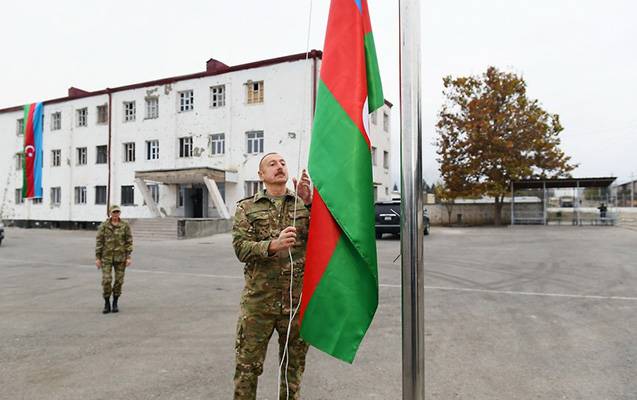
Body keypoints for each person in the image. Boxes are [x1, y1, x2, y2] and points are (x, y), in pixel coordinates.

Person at [232, 152, 312, 400]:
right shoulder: (247, 207)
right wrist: (272, 245)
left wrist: (310, 204)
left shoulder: (302, 205)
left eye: (283, 163)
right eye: (272, 164)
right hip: (259, 304)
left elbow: (323, 242)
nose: (279, 167)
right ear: (261, 175)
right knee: (247, 368)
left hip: (296, 304)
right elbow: (241, 248)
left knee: (293, 371)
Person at [95, 204, 133, 314]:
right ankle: (107, 303)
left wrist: (128, 256)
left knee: (119, 281)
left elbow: (129, 241)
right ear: (110, 213)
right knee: (106, 280)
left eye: (117, 212)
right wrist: (98, 258)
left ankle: (115, 302)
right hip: (106, 258)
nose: (116, 214)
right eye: (114, 212)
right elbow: (99, 242)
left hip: (120, 258)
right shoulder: (104, 226)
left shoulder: (125, 225)